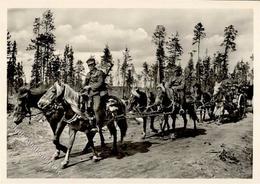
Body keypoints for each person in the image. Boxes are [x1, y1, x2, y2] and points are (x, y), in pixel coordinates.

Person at [81, 57, 108, 132]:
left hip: (98, 93)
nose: (90, 67)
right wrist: (84, 87)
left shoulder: (99, 72)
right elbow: (85, 84)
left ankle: (99, 125)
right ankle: (89, 123)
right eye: (89, 65)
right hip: (89, 94)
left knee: (96, 108)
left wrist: (90, 86)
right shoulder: (88, 74)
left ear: (94, 65)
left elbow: (100, 83)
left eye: (91, 65)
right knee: (85, 108)